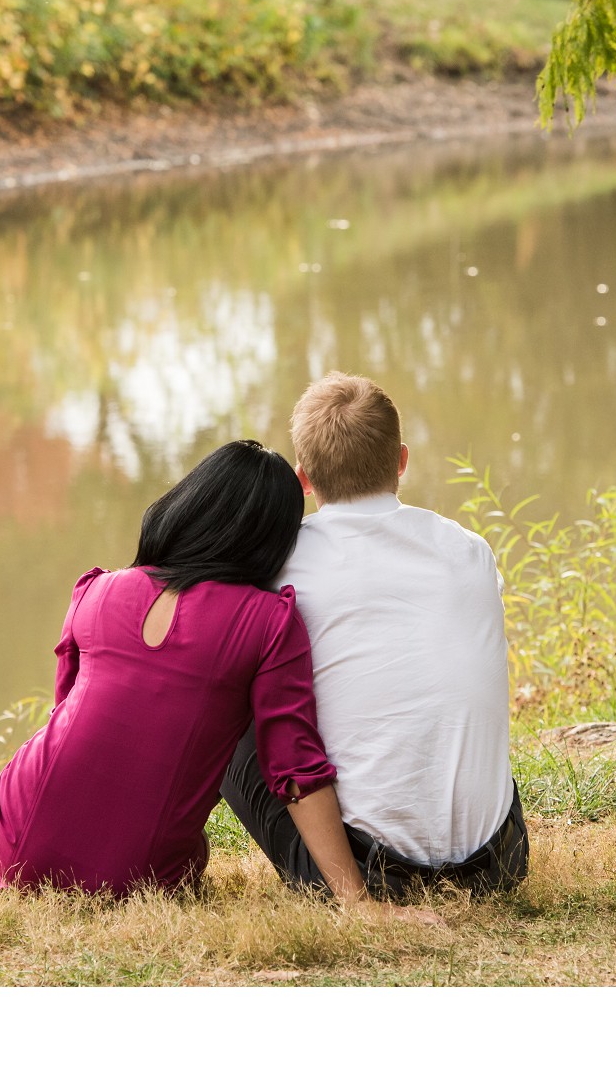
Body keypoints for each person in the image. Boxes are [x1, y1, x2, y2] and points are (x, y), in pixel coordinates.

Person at [0, 439, 396, 911]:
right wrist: (356, 901)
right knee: (182, 850)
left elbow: (66, 723)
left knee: (41, 790)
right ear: (274, 540)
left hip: (24, 823)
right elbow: (294, 766)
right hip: (139, 873)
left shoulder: (98, 589)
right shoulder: (269, 621)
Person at [218, 373, 528, 899]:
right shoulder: (471, 550)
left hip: (375, 873)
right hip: (497, 863)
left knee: (224, 690)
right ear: (401, 460)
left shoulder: (281, 563)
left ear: (303, 479)